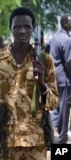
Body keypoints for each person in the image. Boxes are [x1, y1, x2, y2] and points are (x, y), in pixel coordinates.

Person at [0, 7, 59, 159]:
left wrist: (41, 85)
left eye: (27, 27)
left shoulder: (44, 61)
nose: (22, 31)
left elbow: (53, 104)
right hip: (2, 141)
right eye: (17, 27)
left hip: (34, 143)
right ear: (10, 29)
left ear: (33, 29)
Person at [48, 14, 71, 143]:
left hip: (54, 78)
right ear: (65, 23)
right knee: (65, 109)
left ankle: (50, 135)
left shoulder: (54, 38)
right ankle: (62, 138)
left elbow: (46, 53)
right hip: (65, 79)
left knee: (56, 108)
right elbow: (69, 62)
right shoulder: (67, 40)